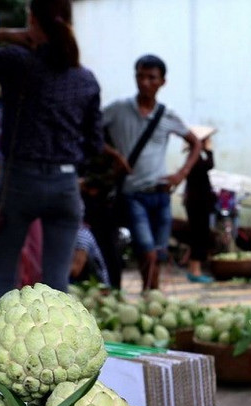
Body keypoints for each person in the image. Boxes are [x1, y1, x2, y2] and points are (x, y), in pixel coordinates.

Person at [0, 0, 104, 302]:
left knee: (3, 274)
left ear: (32, 20)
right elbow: (94, 144)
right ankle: (55, 347)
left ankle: (2, 346)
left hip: (20, 180)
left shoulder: (19, 62)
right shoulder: (85, 79)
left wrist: (0, 35)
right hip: (66, 185)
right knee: (57, 282)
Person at [102, 54, 200, 291]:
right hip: (133, 193)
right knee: (147, 251)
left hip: (161, 193)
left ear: (162, 82)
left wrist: (181, 174)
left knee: (159, 252)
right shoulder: (118, 109)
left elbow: (195, 143)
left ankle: (151, 300)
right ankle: (149, 295)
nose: (145, 82)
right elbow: (87, 132)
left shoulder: (167, 115)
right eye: (140, 76)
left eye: (151, 77)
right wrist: (114, 155)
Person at [182, 125, 216, 283]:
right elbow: (210, 166)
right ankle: (195, 271)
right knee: (199, 236)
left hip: (198, 202)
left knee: (198, 235)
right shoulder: (195, 157)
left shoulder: (195, 157)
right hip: (197, 204)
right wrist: (209, 151)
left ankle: (193, 270)